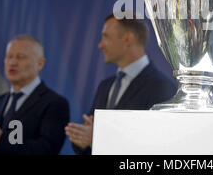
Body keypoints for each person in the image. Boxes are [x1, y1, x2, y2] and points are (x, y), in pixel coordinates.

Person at [66, 14, 176, 155]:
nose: (100, 45)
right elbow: (89, 142)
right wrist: (83, 139)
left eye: (106, 37)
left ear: (127, 39)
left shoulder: (161, 86)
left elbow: (157, 146)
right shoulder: (105, 86)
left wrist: (97, 139)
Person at [0, 34, 70, 155]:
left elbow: (46, 149)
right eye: (9, 56)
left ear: (40, 63)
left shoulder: (55, 104)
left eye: (21, 57)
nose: (12, 62)